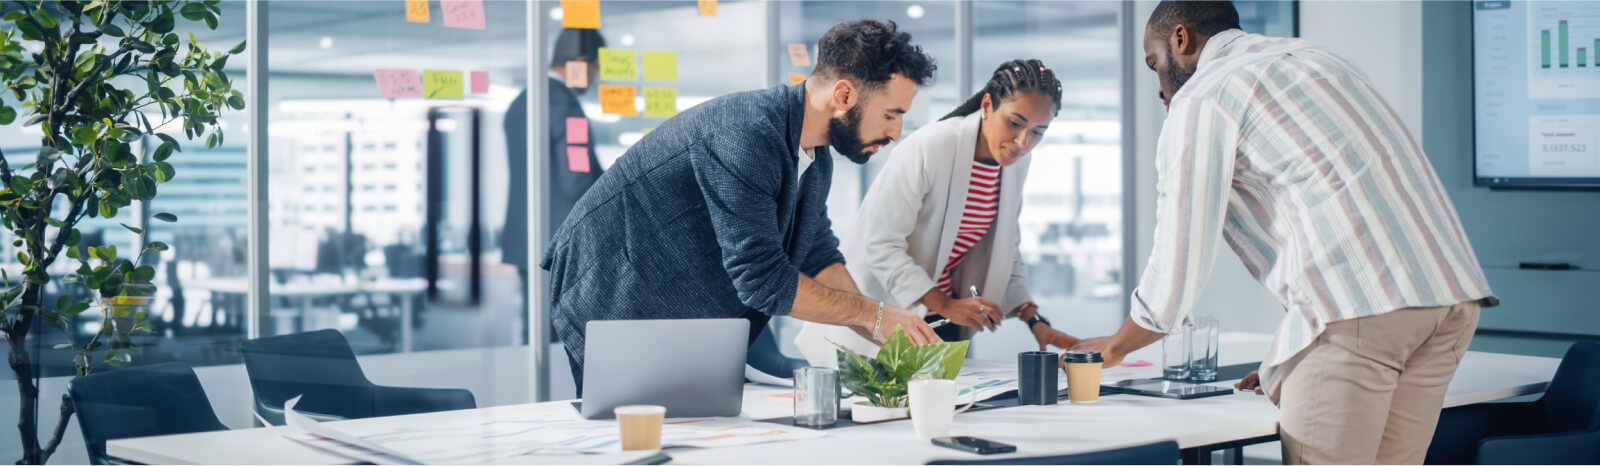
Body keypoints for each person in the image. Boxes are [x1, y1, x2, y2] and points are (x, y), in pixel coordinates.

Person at [1068, 2, 1496, 464]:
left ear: (1180, 39)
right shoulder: (1317, 60)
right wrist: (1298, 355)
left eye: (1154, 65)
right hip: (1449, 297)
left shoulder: (1204, 95)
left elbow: (1179, 255)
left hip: (1361, 309)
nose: (1158, 88)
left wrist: (1116, 346)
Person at [541, 20, 942, 392]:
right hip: (617, 288)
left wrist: (883, 331)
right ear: (843, 95)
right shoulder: (746, 134)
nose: (895, 132)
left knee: (695, 429)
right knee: (636, 436)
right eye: (891, 115)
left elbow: (820, 258)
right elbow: (763, 280)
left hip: (682, 301)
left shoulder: (815, 159)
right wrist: (872, 314)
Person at [794, 59, 1083, 365]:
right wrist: (944, 303)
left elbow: (1006, 247)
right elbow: (880, 245)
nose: (1023, 142)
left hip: (939, 322)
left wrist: (1034, 319)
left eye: (1038, 132)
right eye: (1015, 123)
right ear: (987, 105)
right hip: (881, 317)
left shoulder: (1014, 163)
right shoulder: (933, 146)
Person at [504, 28, 606, 321]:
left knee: (535, 328)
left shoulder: (522, 101)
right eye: (596, 69)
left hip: (527, 239)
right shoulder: (566, 106)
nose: (595, 78)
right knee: (562, 336)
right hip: (562, 246)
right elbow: (576, 178)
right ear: (583, 63)